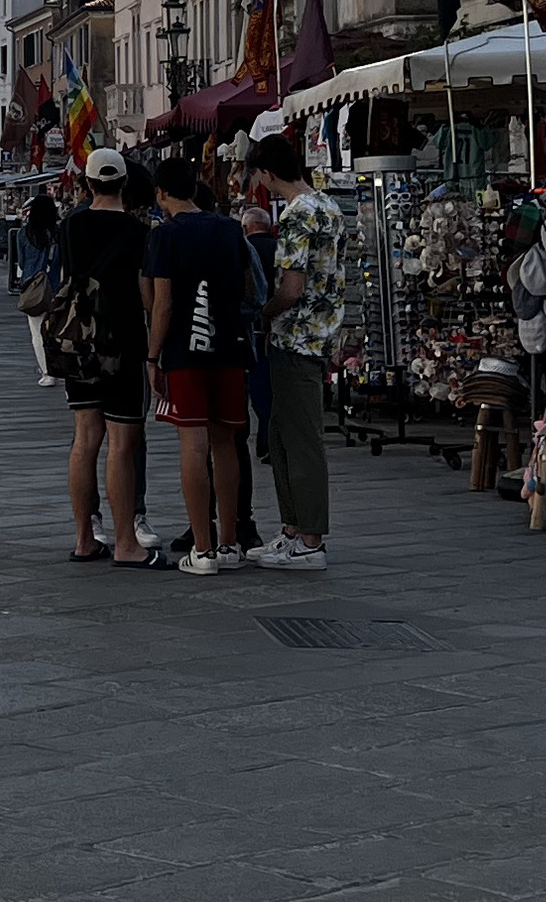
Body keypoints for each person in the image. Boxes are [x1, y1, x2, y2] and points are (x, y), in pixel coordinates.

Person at [145, 156, 261, 574]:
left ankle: (203, 547)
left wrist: (152, 355)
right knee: (226, 441)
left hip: (186, 348)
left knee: (193, 445)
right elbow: (248, 287)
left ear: (161, 193)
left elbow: (164, 302)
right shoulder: (231, 229)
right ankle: (229, 542)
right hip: (229, 346)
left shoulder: (165, 236)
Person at [52, 150, 154, 558]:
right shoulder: (139, 230)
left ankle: (83, 538)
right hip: (125, 339)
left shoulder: (70, 225)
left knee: (85, 438)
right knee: (122, 442)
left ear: (89, 184)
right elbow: (146, 291)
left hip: (79, 340)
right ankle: (126, 541)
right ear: (124, 184)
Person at [249, 134, 342, 569]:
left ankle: (309, 538)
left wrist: (264, 312)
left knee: (300, 438)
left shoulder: (296, 215)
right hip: (319, 332)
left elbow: (292, 286)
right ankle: (292, 529)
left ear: (268, 173)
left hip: (296, 335)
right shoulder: (327, 206)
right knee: (285, 434)